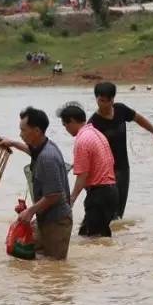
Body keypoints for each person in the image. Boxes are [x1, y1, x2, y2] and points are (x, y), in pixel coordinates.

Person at [0, 107, 73, 260]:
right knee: (38, 260)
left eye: (24, 130)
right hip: (46, 219)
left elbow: (55, 194)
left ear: (37, 131)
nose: (21, 134)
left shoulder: (47, 158)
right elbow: (30, 150)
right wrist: (12, 143)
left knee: (54, 267)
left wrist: (30, 211)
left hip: (56, 222)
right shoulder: (42, 147)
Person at [88, 81, 153, 219]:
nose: (104, 104)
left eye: (108, 100)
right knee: (107, 209)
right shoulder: (93, 123)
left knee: (119, 211)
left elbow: (139, 119)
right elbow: (88, 152)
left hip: (123, 168)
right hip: (104, 172)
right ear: (96, 99)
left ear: (113, 99)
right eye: (101, 100)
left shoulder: (121, 110)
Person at [57, 102, 118, 238]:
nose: (66, 129)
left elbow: (82, 176)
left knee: (93, 239)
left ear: (71, 121)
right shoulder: (97, 134)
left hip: (99, 196)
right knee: (93, 237)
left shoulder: (82, 141)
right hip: (111, 192)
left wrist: (71, 200)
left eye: (65, 125)